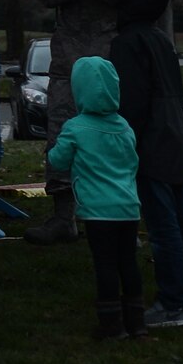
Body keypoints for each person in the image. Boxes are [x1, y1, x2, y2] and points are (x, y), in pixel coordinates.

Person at [26, 0, 153, 245]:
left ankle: (123, 215)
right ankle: (63, 215)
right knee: (62, 128)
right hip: (69, 48)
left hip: (113, 46)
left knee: (117, 132)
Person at [110, 0, 183, 327]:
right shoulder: (160, 41)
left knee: (163, 226)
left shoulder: (127, 44)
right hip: (173, 140)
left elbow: (131, 100)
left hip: (149, 144)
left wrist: (124, 143)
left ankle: (174, 303)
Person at [45, 55, 147, 339]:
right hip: (127, 207)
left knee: (105, 265)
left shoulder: (76, 128)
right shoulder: (124, 127)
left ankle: (111, 323)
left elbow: (59, 161)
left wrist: (54, 148)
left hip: (97, 211)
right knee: (128, 263)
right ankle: (137, 321)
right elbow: (132, 163)